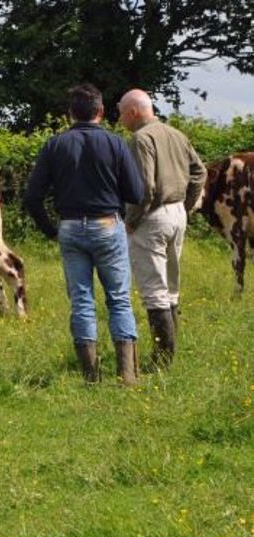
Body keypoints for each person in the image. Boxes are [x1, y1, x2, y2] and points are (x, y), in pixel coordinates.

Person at [24, 84, 144, 385]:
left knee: (81, 300)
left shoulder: (55, 145)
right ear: (101, 111)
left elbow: (32, 197)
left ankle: (91, 375)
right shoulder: (116, 144)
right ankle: (127, 374)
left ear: (70, 114)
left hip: (71, 226)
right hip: (107, 224)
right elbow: (136, 192)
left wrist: (51, 230)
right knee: (118, 299)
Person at [117, 89, 207, 370]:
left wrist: (131, 219)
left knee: (154, 291)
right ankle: (168, 358)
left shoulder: (140, 139)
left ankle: (162, 362)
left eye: (120, 112)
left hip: (153, 218)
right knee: (171, 288)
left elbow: (144, 188)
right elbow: (200, 172)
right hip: (178, 212)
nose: (119, 119)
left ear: (133, 112)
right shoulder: (176, 134)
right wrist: (188, 205)